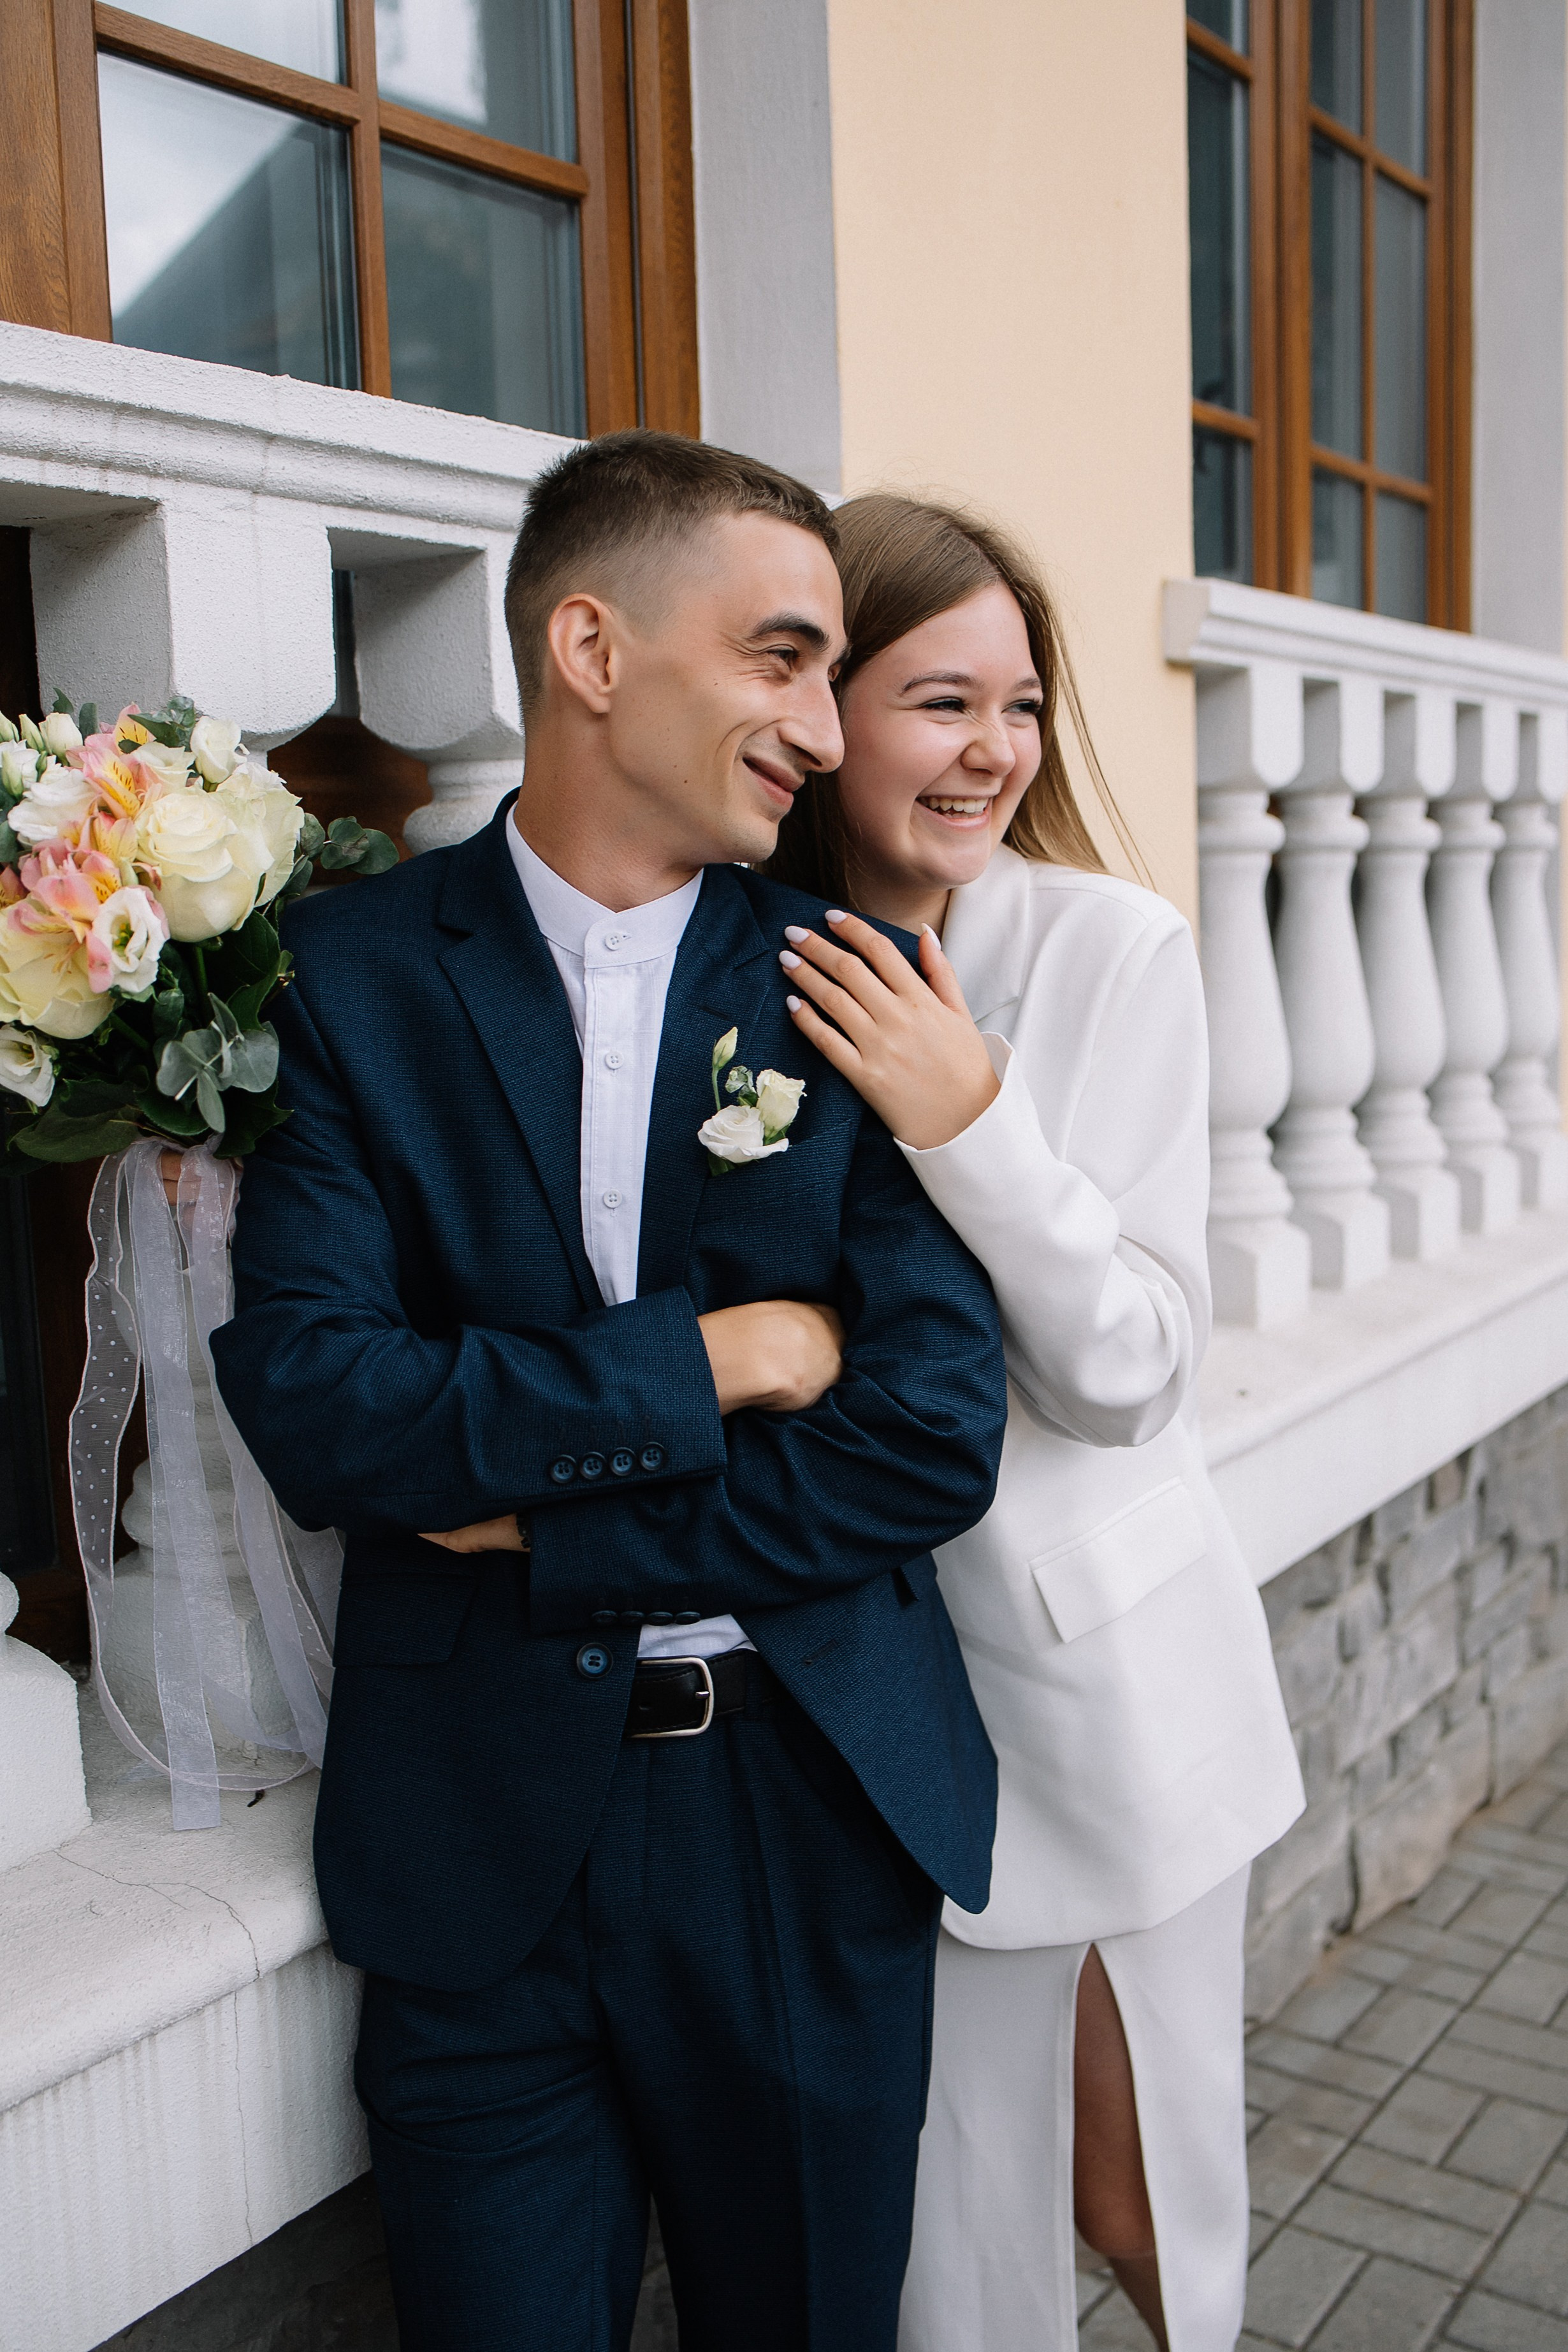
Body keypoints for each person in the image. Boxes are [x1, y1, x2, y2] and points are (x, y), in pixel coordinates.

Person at [211, 437, 1010, 2352]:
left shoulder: (860, 981)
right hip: (471, 1835)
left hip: (798, 1815)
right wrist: (717, 1359)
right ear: (588, 643)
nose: (823, 730)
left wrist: (541, 1520)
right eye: (780, 658)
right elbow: (323, 1406)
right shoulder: (347, 978)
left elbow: (924, 1430)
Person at [766, 493, 1305, 2352]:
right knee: (953, 2236)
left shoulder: (1111, 949)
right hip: (845, 1708)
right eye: (938, 701)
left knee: (1136, 2179)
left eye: (1017, 702)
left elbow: (1133, 1359)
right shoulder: (737, 958)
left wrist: (966, 1111)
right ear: (820, 712)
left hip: (1100, 1690)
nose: (991, 748)